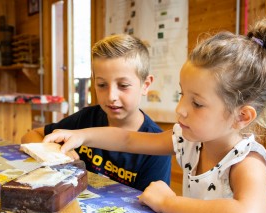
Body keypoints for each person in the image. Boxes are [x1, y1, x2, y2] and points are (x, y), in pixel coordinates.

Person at [43, 18, 266, 213]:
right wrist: (82, 135)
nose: (181, 109)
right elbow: (129, 139)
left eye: (197, 103)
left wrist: (168, 202)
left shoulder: (247, 162)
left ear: (241, 116)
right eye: (182, 94)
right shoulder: (188, 139)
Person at [22, 34, 171, 191]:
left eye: (123, 85)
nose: (111, 96)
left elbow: (151, 207)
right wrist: (57, 152)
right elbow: (30, 136)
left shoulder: (157, 146)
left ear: (145, 85)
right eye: (102, 85)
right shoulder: (86, 118)